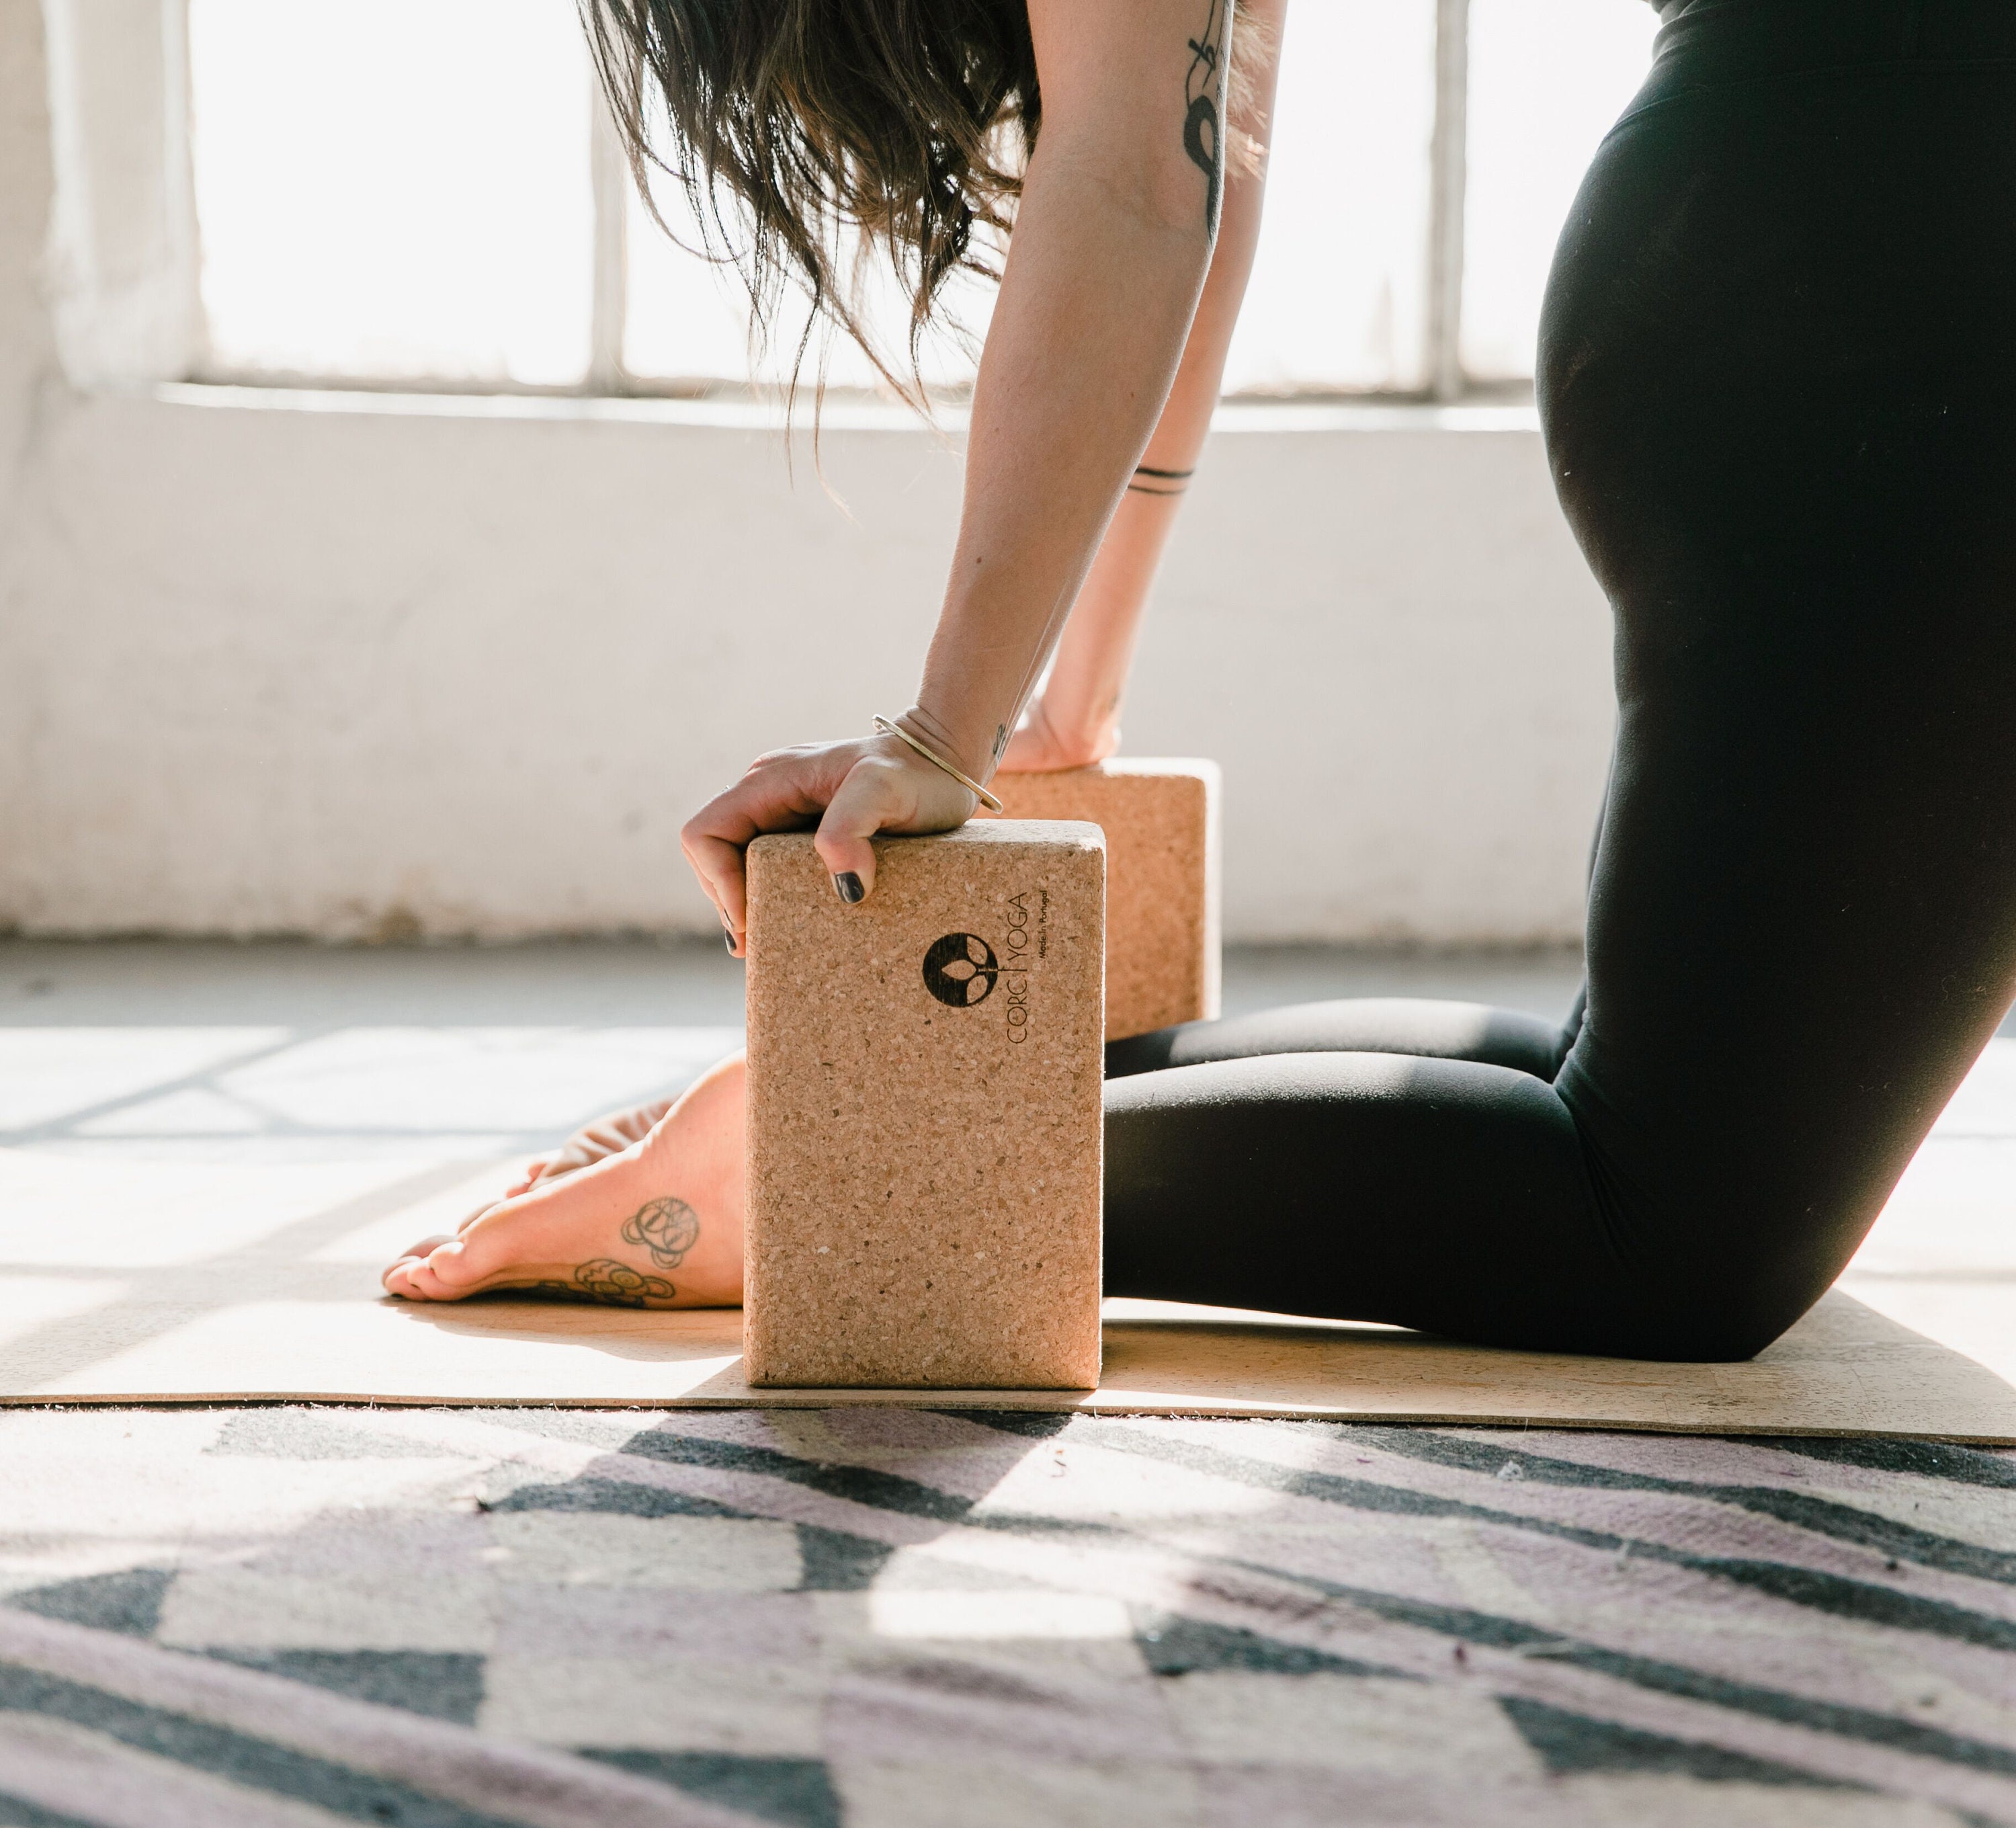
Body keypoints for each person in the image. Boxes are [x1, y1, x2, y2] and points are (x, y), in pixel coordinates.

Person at [388, 0, 2016, 1363]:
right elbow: (1150, 176)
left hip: (1820, 256)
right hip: (1904, 295)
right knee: (1669, 1228)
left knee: (1623, 1087)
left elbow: (1199, 144)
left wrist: (1061, 707)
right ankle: (837, 1165)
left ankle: (893, 1099)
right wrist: (946, 729)